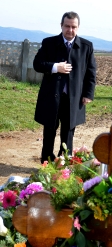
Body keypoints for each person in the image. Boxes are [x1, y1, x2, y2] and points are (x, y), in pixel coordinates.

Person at [33, 11, 96, 163]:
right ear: (61, 26)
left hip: (73, 99)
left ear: (78, 27)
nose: (70, 30)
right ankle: (47, 161)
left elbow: (91, 72)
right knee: (49, 130)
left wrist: (88, 93)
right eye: (67, 26)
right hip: (51, 96)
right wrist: (55, 67)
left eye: (73, 27)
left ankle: (64, 163)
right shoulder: (49, 43)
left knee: (68, 132)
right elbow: (37, 64)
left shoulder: (86, 46)